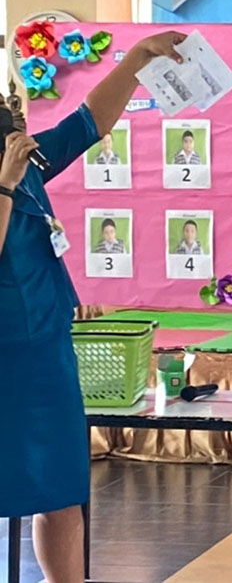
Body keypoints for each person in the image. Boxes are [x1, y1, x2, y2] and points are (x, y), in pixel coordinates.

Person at [0, 31, 187, 583]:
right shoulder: (12, 178)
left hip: (46, 353)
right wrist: (4, 185)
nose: (23, 140)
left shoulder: (30, 167)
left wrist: (139, 58)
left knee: (60, 489)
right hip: (4, 359)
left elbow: (89, 122)